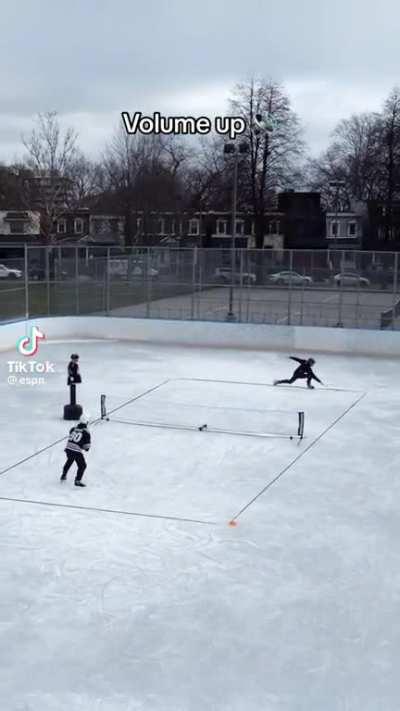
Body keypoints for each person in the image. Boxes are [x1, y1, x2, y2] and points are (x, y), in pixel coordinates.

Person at [60, 415, 91, 487]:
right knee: (82, 465)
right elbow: (87, 448)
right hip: (76, 450)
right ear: (86, 423)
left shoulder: (73, 429)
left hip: (68, 448)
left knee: (69, 460)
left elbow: (72, 436)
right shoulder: (86, 432)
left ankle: (63, 476)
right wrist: (83, 446)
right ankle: (78, 481)